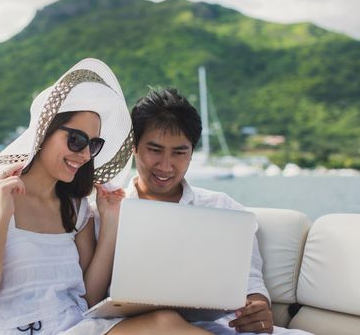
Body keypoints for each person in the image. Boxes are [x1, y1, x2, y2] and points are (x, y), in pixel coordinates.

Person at [0, 59, 209, 335]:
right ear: (45, 131)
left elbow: (88, 299)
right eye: (76, 140)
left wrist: (110, 222)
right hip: (11, 329)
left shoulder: (75, 207)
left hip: (73, 327)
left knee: (166, 322)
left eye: (93, 145)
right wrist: (1, 216)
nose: (84, 154)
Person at [119, 87, 313, 335]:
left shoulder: (224, 210)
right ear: (133, 147)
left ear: (191, 153)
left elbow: (251, 282)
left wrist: (258, 306)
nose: (166, 165)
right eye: (155, 150)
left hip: (215, 327)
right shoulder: (109, 212)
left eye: (180, 152)